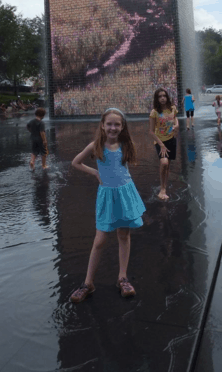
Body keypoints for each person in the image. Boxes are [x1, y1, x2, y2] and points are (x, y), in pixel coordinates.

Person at [69, 108, 145, 303]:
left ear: (122, 126)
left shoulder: (126, 145)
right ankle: (88, 283)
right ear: (102, 125)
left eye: (117, 124)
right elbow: (75, 162)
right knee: (100, 240)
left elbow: (125, 168)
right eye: (109, 124)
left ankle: (122, 278)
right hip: (106, 196)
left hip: (125, 194)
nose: (113, 128)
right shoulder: (96, 146)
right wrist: (95, 173)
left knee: (123, 235)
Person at [149, 88, 179, 200]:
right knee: (164, 162)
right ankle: (162, 189)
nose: (162, 98)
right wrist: (161, 145)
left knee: (168, 165)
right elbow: (151, 132)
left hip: (171, 139)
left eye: (164, 96)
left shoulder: (172, 108)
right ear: (157, 99)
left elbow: (175, 118)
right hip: (160, 141)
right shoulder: (154, 112)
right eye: (160, 96)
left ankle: (164, 186)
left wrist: (177, 125)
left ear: (167, 97)